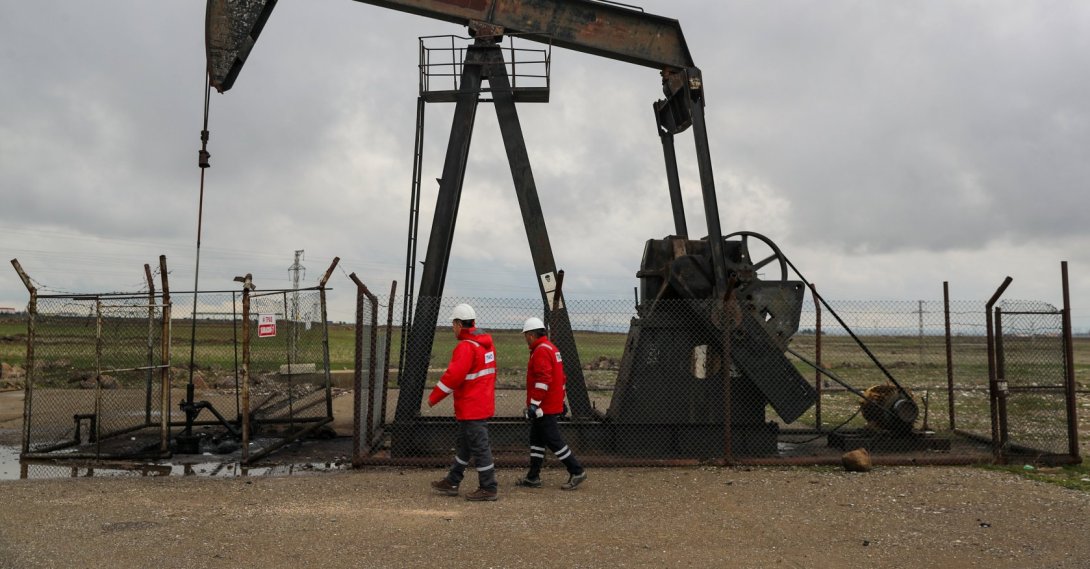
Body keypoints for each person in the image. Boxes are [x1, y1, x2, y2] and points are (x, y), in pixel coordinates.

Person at [428, 303, 499, 501]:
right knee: (466, 446)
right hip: (481, 403)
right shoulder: (487, 345)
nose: (452, 328)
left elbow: (453, 377)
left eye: (453, 324)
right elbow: (491, 373)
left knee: (480, 448)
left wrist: (433, 398)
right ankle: (452, 480)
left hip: (471, 407)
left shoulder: (466, 347)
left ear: (459, 324)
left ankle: (489, 487)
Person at [515, 316, 587, 490]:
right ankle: (533, 476)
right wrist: (560, 400)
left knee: (553, 440)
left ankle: (576, 470)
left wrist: (534, 404)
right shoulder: (552, 348)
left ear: (531, 335)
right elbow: (561, 378)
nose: (525, 338)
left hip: (543, 407)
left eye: (526, 335)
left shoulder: (540, 351)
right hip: (549, 404)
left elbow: (543, 380)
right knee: (537, 440)